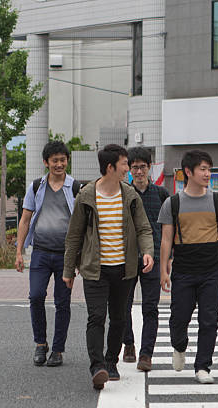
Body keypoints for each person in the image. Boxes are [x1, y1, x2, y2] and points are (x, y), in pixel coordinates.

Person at [62, 144, 154, 390]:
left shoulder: (130, 195)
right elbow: (74, 236)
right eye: (125, 164)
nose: (129, 168)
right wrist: (68, 270)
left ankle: (111, 361)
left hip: (124, 269)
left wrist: (147, 252)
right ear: (111, 167)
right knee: (96, 316)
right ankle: (97, 366)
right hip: (95, 269)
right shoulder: (87, 195)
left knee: (119, 318)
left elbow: (144, 228)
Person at [158, 149, 218, 385]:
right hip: (183, 267)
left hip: (212, 268)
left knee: (209, 319)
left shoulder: (216, 200)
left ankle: (203, 366)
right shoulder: (173, 203)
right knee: (179, 318)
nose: (207, 173)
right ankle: (179, 346)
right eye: (203, 169)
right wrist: (163, 270)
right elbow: (166, 240)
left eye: (209, 169)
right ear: (188, 172)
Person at [15, 140, 78, 368]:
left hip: (65, 255)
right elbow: (25, 219)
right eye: (55, 160)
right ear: (46, 163)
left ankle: (58, 350)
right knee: (36, 296)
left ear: (67, 161)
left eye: (62, 160)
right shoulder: (36, 187)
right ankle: (41, 344)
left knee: (63, 302)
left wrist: (78, 257)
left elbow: (82, 224)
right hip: (40, 252)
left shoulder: (75, 188)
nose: (59, 164)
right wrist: (19, 252)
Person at [121, 147, 169, 371]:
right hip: (127, 257)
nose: (138, 171)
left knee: (150, 307)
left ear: (150, 168)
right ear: (129, 169)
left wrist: (169, 259)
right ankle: (128, 343)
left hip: (156, 257)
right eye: (134, 167)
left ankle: (146, 354)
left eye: (142, 167)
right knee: (123, 305)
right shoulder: (124, 193)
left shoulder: (161, 194)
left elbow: (169, 230)